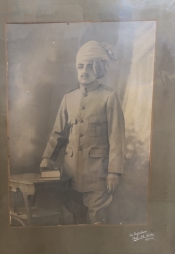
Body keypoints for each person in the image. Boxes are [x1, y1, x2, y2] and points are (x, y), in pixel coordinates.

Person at [40, 41, 125, 224]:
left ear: (99, 69)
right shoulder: (68, 98)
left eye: (90, 66)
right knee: (74, 220)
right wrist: (47, 158)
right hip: (70, 176)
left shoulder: (109, 97)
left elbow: (116, 138)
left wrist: (114, 172)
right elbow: (58, 134)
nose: (84, 71)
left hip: (98, 176)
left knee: (98, 221)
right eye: (80, 66)